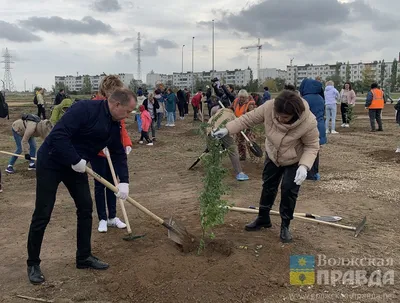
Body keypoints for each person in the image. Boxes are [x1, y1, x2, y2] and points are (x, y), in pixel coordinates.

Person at [26, 88, 136, 285]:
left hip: (76, 167)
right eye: (128, 111)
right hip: (52, 161)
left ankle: (83, 257)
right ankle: (33, 263)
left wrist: (124, 182)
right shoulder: (84, 108)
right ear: (117, 105)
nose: (128, 116)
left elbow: (118, 152)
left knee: (85, 207)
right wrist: (75, 159)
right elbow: (59, 135)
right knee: (43, 212)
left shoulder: (114, 124)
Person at [212, 90, 319, 243]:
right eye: (279, 115)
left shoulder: (308, 122)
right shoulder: (269, 107)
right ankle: (263, 218)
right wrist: (227, 129)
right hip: (273, 154)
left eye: (286, 117)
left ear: (295, 114)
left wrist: (304, 166)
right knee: (268, 185)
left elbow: (312, 146)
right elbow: (246, 119)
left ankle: (285, 226)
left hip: (294, 159)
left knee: (289, 191)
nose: (281, 119)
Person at [91, 75, 133, 233]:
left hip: (113, 152)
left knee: (113, 184)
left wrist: (126, 143)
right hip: (97, 154)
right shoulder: (95, 105)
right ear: (106, 91)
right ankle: (102, 218)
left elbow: (121, 125)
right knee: (100, 185)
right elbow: (90, 130)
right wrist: (99, 145)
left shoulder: (117, 106)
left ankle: (112, 217)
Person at [208, 107, 249, 181]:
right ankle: (239, 173)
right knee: (233, 151)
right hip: (222, 130)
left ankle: (214, 171)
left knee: (215, 151)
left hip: (210, 130)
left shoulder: (217, 112)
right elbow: (235, 128)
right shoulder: (231, 114)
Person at [299, 78, 326, 181]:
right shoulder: (320, 98)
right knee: (315, 150)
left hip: (309, 127)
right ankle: (315, 173)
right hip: (320, 125)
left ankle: (308, 172)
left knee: (307, 150)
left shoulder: (304, 99)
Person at [231, 89, 256, 161]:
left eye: (243, 97)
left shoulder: (250, 104)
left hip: (247, 125)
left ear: (246, 97)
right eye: (240, 97)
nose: (241, 99)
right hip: (238, 124)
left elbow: (252, 116)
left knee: (250, 141)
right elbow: (231, 109)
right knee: (240, 141)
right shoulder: (236, 102)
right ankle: (242, 156)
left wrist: (246, 125)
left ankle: (253, 157)